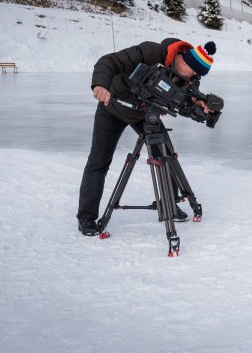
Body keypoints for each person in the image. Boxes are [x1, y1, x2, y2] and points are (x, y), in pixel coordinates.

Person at [77, 38, 216, 236]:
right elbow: (109, 61)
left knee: (166, 156)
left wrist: (199, 105)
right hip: (113, 107)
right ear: (184, 60)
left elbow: (179, 100)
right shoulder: (151, 52)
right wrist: (100, 85)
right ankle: (86, 218)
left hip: (145, 115)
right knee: (98, 162)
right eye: (193, 71)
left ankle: (169, 205)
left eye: (196, 75)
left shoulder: (188, 78)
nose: (193, 77)